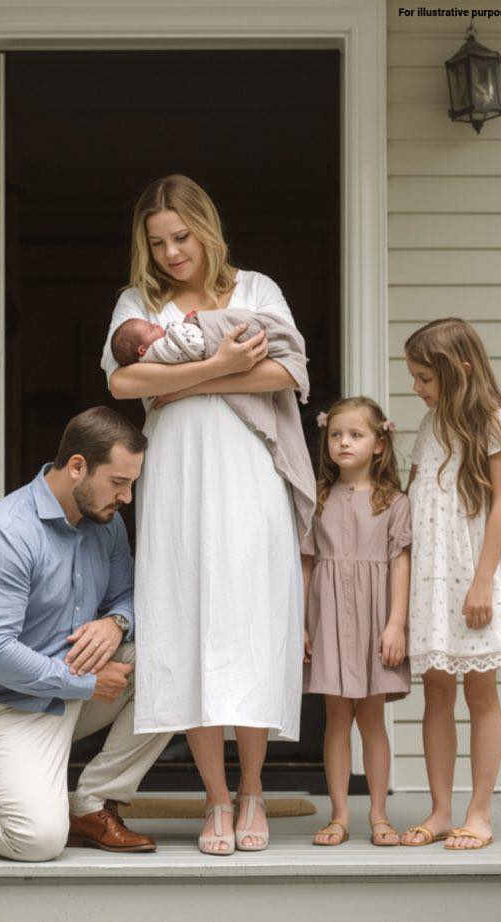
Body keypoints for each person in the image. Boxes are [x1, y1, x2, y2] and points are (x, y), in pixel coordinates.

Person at [101, 175, 315, 855]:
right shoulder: (138, 303)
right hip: (178, 483)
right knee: (187, 629)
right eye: (157, 242)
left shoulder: (256, 290)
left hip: (249, 476)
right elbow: (122, 381)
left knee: (250, 625)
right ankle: (216, 800)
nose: (170, 252)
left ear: (206, 228)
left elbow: (287, 373)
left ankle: (252, 789)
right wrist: (221, 364)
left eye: (181, 237)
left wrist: (194, 376)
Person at [0, 407, 171, 861]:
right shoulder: (5, 533)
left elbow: (130, 596)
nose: (127, 497)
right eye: (118, 482)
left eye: (131, 483)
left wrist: (117, 622)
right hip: (3, 708)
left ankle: (92, 803)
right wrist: (87, 682)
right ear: (76, 467)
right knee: (38, 840)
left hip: (74, 693)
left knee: (170, 656)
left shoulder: (104, 524)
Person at [400, 318, 501, 851]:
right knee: (435, 691)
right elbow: (412, 499)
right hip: (432, 573)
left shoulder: (495, 423)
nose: (417, 388)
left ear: (460, 370)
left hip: (475, 572)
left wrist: (481, 582)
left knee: (480, 691)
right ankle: (439, 810)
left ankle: (479, 812)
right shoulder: (428, 426)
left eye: (424, 378)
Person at [301, 397, 411, 847]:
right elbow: (307, 564)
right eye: (336, 435)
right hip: (328, 617)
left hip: (375, 620)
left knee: (371, 719)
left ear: (379, 444)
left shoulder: (394, 501)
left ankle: (380, 815)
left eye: (356, 435)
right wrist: (301, 624)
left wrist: (396, 624)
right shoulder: (317, 498)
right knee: (336, 718)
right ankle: (340, 814)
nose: (344, 442)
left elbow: (399, 564)